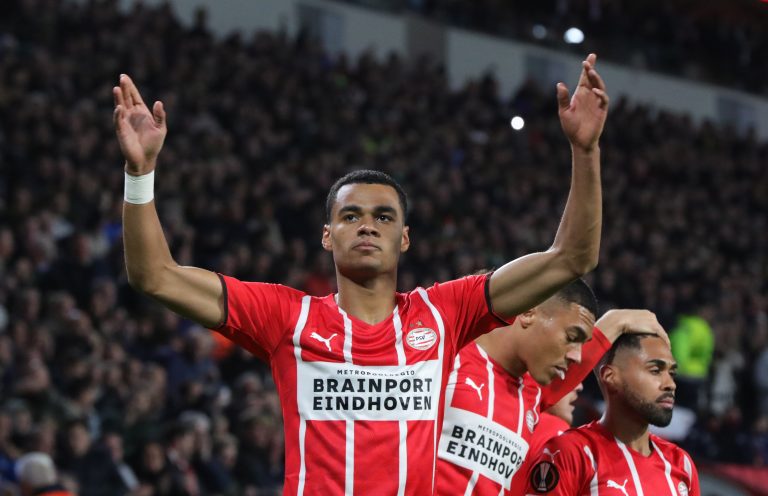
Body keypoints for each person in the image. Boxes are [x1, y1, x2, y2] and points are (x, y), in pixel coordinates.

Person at [112, 53, 609, 494]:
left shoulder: (442, 314)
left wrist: (585, 153)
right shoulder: (288, 318)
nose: (367, 226)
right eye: (350, 216)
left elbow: (571, 258)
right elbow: (154, 275)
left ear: (405, 238)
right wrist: (140, 175)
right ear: (328, 235)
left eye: (383, 217)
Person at [435, 278, 667, 495]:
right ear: (528, 313)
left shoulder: (530, 393)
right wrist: (616, 322)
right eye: (571, 336)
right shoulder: (444, 357)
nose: (576, 356)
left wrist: (618, 322)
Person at [524, 333, 700, 495]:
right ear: (610, 376)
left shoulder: (681, 463)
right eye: (655, 371)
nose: (670, 384)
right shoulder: (572, 452)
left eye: (672, 373)